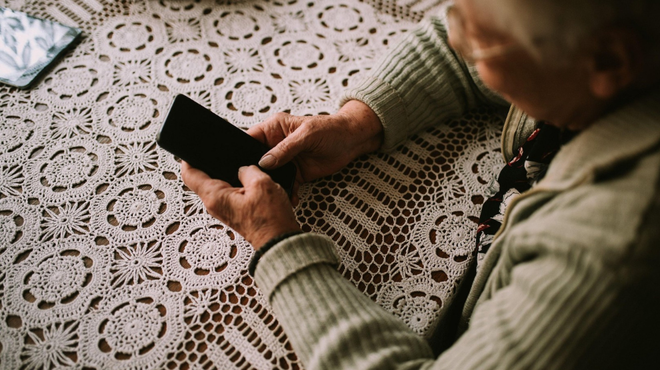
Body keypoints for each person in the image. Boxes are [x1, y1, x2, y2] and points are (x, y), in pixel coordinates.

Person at [181, 0, 660, 368]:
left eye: (482, 41)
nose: (453, 36)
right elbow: (458, 54)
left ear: (610, 63)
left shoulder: (611, 253)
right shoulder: (610, 49)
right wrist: (357, 125)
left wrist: (277, 243)